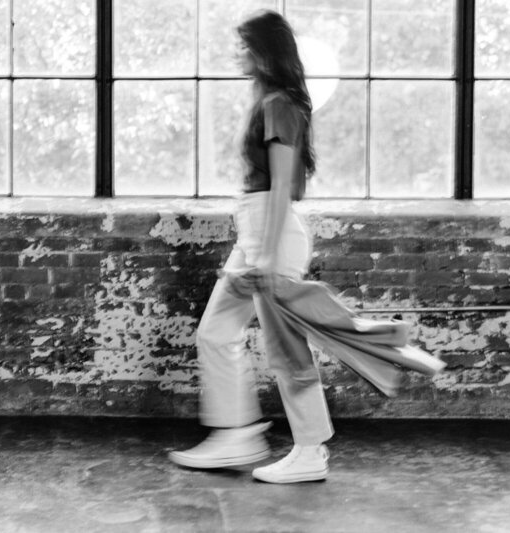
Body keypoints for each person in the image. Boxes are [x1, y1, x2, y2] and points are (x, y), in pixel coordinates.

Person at [168, 9, 444, 484]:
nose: (236, 54)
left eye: (243, 46)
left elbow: (279, 186)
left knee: (286, 347)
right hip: (257, 232)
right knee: (215, 332)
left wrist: (269, 259)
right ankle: (237, 436)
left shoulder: (278, 103)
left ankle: (311, 451)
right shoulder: (271, 101)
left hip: (272, 233)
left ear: (262, 52)